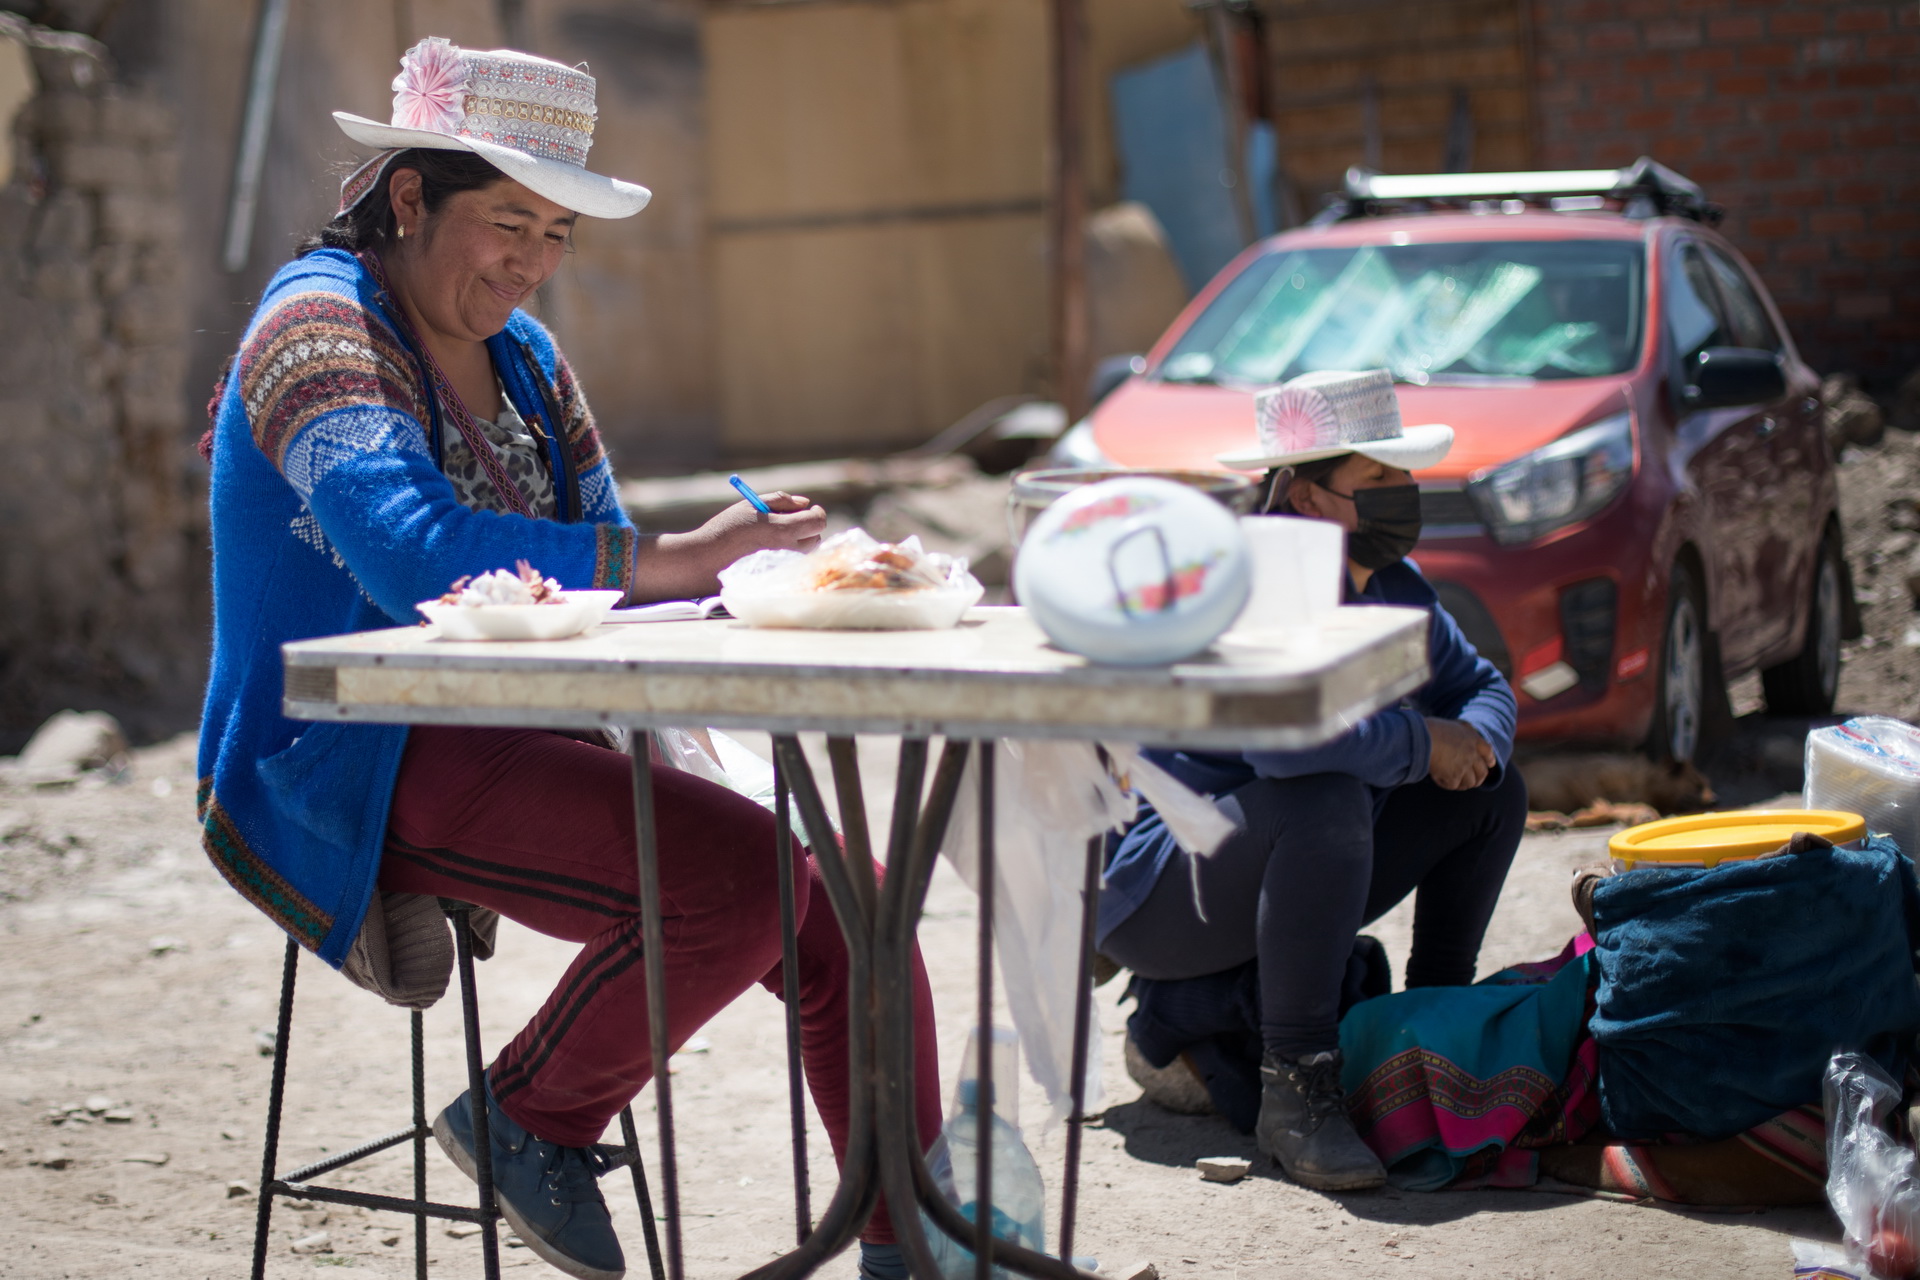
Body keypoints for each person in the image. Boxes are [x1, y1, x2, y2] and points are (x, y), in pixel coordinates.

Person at [197, 39, 939, 1280]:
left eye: (555, 233)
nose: (531, 263)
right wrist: (675, 558)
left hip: (527, 724)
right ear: (407, 198)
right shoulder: (314, 329)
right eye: (508, 223)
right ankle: (528, 1114)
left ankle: (911, 1244)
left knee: (855, 898)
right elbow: (415, 555)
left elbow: (589, 565)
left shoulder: (530, 361)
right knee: (743, 880)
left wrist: (741, 580)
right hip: (344, 749)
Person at [1096, 369, 1525, 1192]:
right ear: (1304, 497)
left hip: (1283, 860)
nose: (1406, 493)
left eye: (1403, 474)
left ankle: (1431, 1022)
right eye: (1381, 479)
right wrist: (1419, 740)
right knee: (1320, 798)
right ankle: (1298, 1091)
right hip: (1159, 889)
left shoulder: (1393, 586)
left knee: (1491, 788)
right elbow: (1284, 747)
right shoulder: (1252, 583)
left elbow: (1484, 686)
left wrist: (1471, 742)